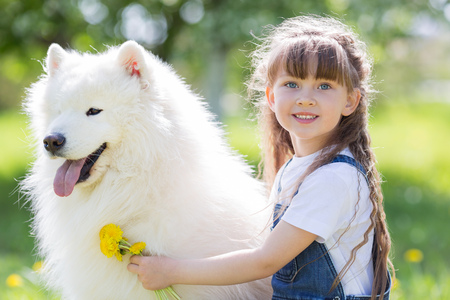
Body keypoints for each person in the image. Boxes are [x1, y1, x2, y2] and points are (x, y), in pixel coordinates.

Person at [127, 15, 394, 300]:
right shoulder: (295, 168)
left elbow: (265, 261)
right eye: (292, 84)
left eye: (324, 86)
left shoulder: (332, 179)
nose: (306, 98)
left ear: (350, 101)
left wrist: (172, 271)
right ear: (271, 96)